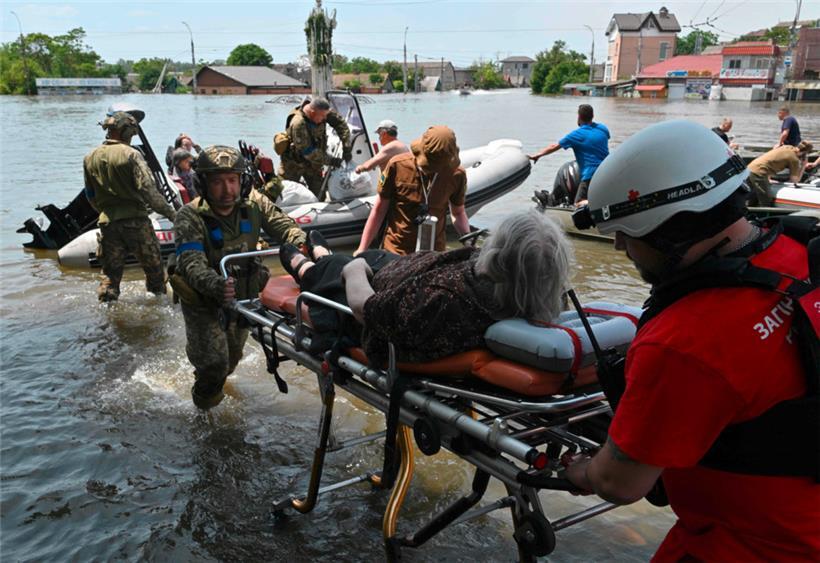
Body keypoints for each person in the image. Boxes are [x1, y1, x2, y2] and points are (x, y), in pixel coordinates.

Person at [565, 120, 819, 561]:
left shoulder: (684, 341)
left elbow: (619, 484)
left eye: (627, 234)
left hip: (759, 543)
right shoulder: (803, 249)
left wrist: (581, 470)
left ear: (671, 228)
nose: (621, 248)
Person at [279, 210, 571, 365]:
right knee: (354, 260)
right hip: (400, 269)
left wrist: (354, 270)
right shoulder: (540, 299)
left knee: (335, 269)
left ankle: (306, 266)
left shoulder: (443, 299)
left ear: (496, 253)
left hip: (374, 284)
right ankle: (322, 256)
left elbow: (365, 309)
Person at [172, 145, 306, 410]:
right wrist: (215, 284)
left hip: (244, 293)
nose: (227, 190)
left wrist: (303, 246)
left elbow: (285, 228)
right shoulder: (189, 216)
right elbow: (191, 262)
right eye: (218, 182)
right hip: (204, 299)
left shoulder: (255, 204)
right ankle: (203, 410)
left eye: (232, 180)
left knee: (232, 359)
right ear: (203, 183)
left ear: (241, 181)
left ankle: (214, 386)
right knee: (213, 364)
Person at [83, 111, 177, 302]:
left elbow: (90, 195)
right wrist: (173, 214)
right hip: (136, 222)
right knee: (155, 272)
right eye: (132, 133)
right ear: (125, 131)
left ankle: (108, 316)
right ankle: (156, 312)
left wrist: (107, 212)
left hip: (108, 224)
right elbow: (149, 192)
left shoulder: (90, 157)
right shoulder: (131, 155)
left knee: (110, 277)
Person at [354, 125, 470, 256]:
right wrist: (362, 249)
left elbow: (458, 212)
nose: (431, 168)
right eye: (428, 163)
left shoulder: (456, 174)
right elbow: (379, 210)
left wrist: (468, 239)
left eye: (436, 166)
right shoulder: (397, 165)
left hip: (434, 254)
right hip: (396, 252)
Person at [528, 104, 610, 205]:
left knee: (578, 203)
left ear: (579, 117)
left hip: (591, 174)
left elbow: (554, 146)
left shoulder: (576, 135)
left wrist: (538, 155)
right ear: (593, 116)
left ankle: (597, 203)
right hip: (607, 170)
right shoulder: (603, 129)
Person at [278, 97, 352, 198]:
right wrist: (333, 161)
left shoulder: (322, 111)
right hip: (293, 163)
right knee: (284, 193)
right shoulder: (298, 123)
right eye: (322, 117)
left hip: (313, 164)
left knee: (319, 194)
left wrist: (346, 147)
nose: (324, 119)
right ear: (312, 113)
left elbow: (340, 124)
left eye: (325, 116)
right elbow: (309, 152)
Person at [746, 140, 813, 206]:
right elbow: (795, 180)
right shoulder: (794, 159)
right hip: (759, 173)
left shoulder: (787, 147)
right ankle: (764, 215)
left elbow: (772, 159)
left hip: (750, 168)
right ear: (805, 153)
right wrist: (803, 165)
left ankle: (749, 213)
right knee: (766, 200)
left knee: (753, 196)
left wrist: (768, 179)